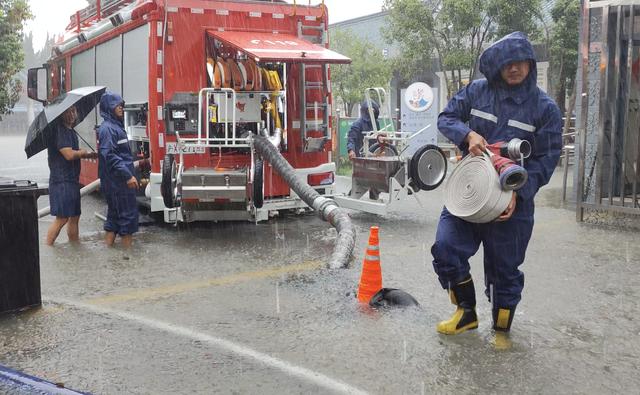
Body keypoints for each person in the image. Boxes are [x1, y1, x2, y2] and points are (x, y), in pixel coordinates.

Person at [431, 32, 562, 336]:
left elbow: (547, 159)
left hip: (513, 203)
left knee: (505, 271)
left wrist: (520, 192)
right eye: (507, 63)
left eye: (520, 62)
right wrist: (467, 135)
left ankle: (502, 332)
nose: (514, 68)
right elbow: (446, 117)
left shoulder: (545, 108)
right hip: (470, 191)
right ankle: (466, 314)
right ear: (497, 66)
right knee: (446, 248)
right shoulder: (477, 92)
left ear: (530, 64)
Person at [46, 106, 98, 245]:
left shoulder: (71, 131)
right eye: (67, 112)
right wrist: (83, 153)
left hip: (72, 180)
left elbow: (73, 152)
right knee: (62, 218)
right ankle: (48, 246)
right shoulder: (60, 130)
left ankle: (74, 247)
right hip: (61, 181)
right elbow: (68, 155)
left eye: (73, 111)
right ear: (61, 114)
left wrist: (87, 153)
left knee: (75, 216)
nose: (71, 115)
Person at [98, 92, 139, 248]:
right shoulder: (108, 129)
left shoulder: (113, 127)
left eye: (121, 104)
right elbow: (110, 155)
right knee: (128, 218)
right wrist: (128, 176)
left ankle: (110, 254)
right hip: (118, 183)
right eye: (117, 105)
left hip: (115, 182)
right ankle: (128, 258)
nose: (121, 108)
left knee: (114, 219)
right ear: (109, 107)